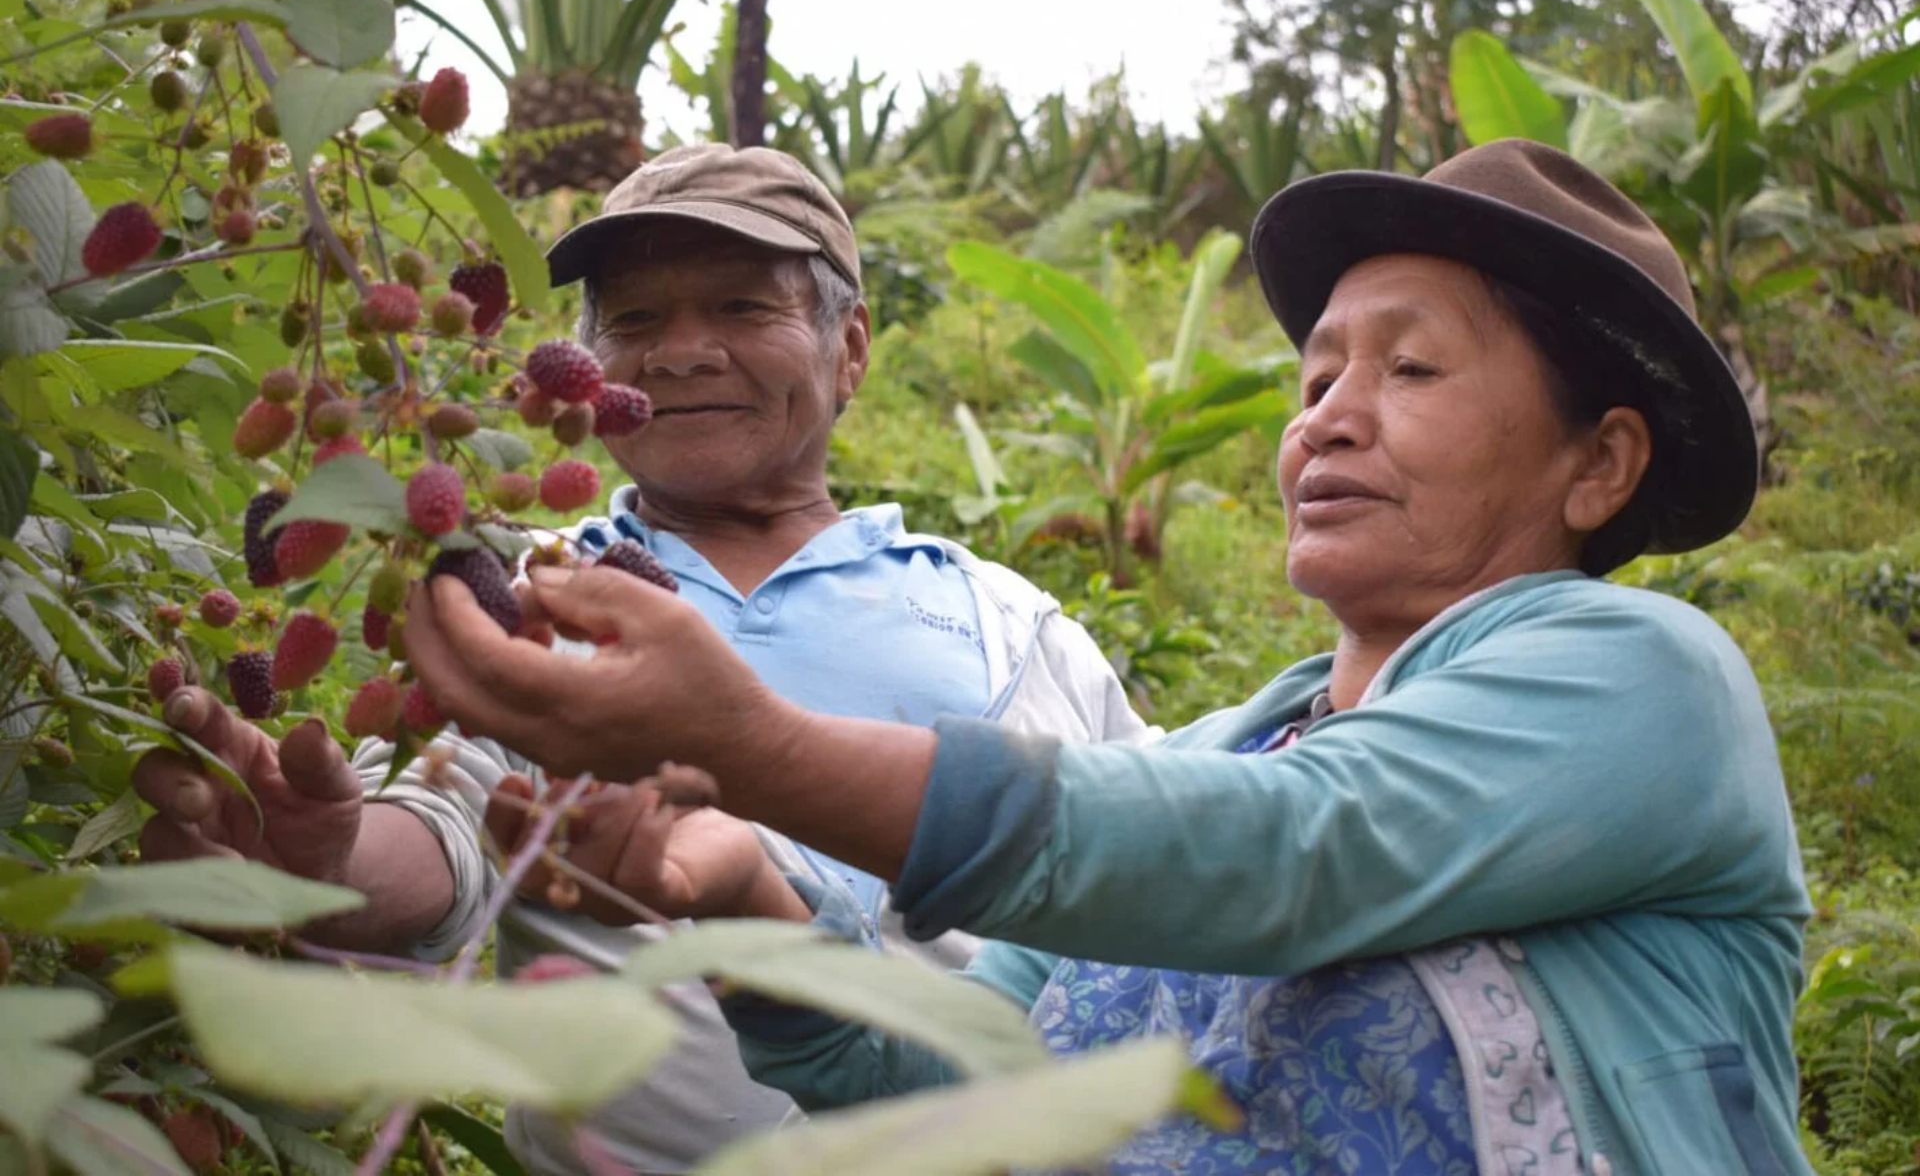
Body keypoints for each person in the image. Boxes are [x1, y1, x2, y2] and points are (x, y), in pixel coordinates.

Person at [403, 139, 1815, 1176]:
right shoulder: (1218, 751)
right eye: (1317, 376)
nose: (1327, 418)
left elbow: (1287, 854)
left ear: (1600, 462)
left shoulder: (1648, 680)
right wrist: (751, 904)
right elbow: (959, 1085)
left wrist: (762, 748)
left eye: (1412, 370)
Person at [131, 144, 1150, 1175]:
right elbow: (448, 817)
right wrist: (319, 861)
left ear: (849, 349)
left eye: (745, 308)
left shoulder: (1009, 618)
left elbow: (1166, 873)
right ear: (583, 375)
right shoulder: (534, 596)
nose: (680, 353)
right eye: (634, 321)